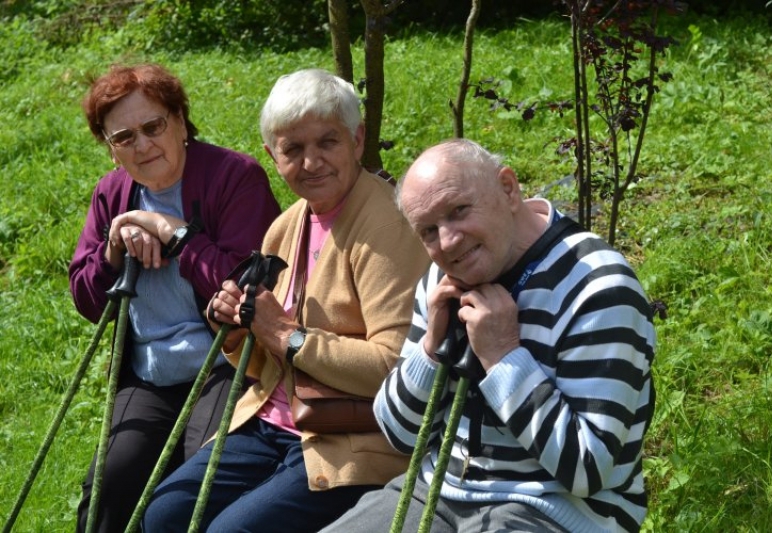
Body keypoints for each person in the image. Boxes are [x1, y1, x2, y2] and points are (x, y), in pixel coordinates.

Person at [142, 68, 431, 532]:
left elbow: (396, 367)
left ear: (357, 140)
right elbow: (265, 360)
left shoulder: (385, 226)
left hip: (350, 441)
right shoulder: (288, 224)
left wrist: (285, 333)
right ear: (272, 155)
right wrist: (236, 326)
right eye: (293, 149)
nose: (311, 162)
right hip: (270, 421)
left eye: (327, 142)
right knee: (164, 515)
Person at [322, 138, 657, 532]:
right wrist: (430, 351)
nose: (447, 242)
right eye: (428, 230)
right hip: (436, 490)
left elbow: (588, 470)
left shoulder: (597, 287)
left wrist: (503, 358)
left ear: (508, 189)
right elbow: (399, 435)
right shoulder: (441, 278)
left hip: (556, 510)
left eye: (459, 211)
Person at [69, 62, 282, 533]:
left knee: (196, 483)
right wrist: (112, 251)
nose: (142, 145)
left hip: (228, 363)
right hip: (150, 376)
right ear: (110, 149)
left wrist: (177, 235)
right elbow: (87, 301)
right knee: (108, 484)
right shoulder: (111, 196)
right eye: (124, 137)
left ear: (181, 121)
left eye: (153, 126)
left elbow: (251, 288)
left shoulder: (234, 177)